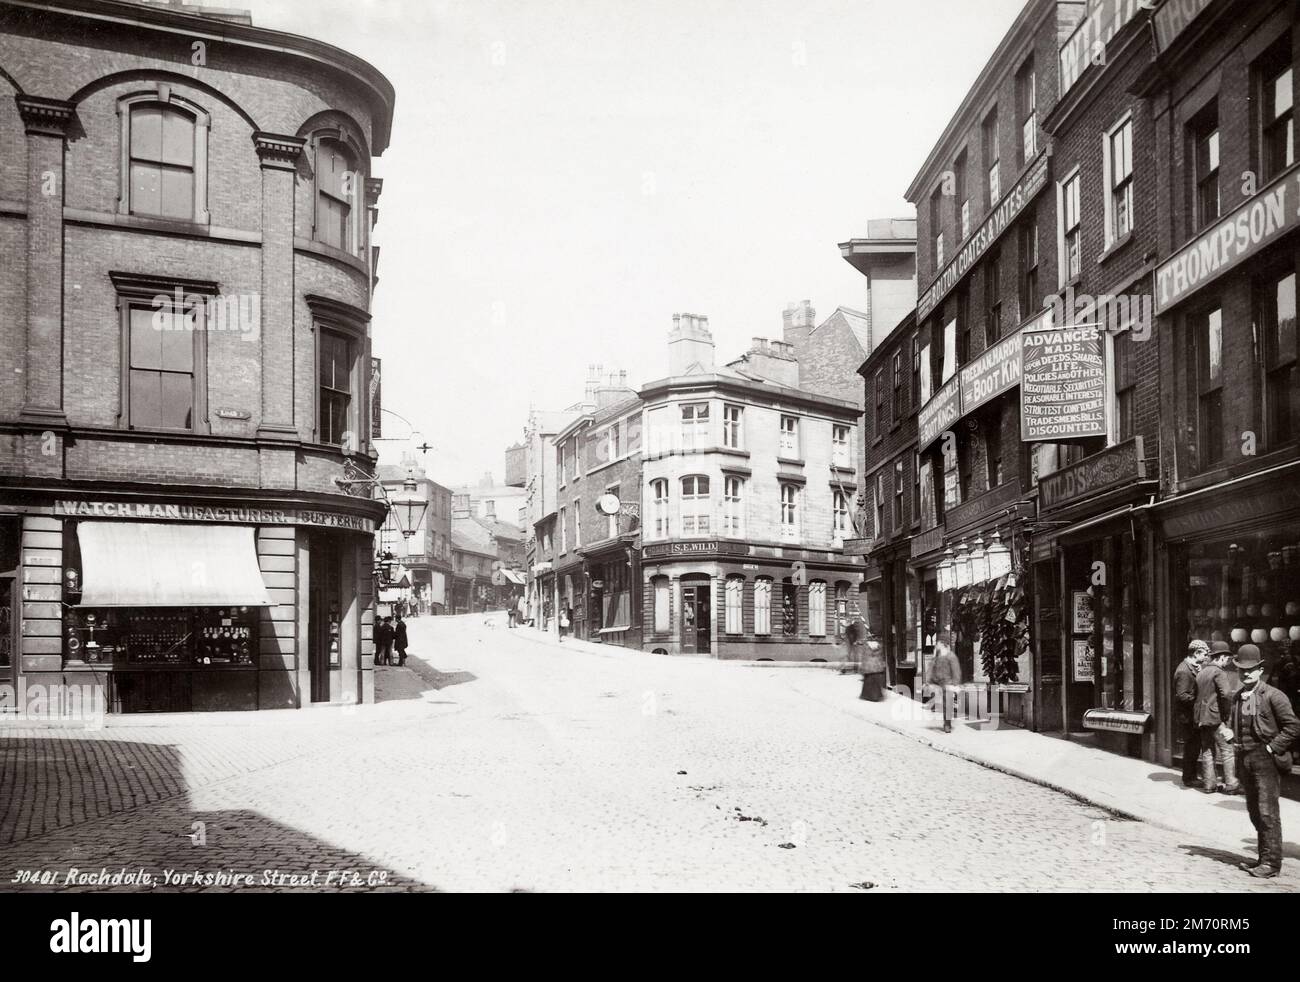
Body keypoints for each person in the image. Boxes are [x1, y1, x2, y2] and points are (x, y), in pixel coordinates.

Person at [1230, 644, 1300, 878]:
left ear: (1260, 670)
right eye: (1241, 670)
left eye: (1251, 669)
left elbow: (1293, 726)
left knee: (1267, 811)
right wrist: (1231, 736)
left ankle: (1271, 864)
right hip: (1245, 759)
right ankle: (1263, 858)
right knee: (1254, 811)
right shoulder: (1238, 697)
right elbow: (1241, 724)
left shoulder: (1273, 695)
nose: (1246, 673)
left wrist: (1271, 748)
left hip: (1266, 759)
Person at [1195, 641, 1240, 794]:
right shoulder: (1219, 672)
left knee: (1207, 751)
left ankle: (1209, 784)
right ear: (1221, 657)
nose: (1228, 662)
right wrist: (1226, 715)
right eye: (1227, 659)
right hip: (1216, 718)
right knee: (1227, 750)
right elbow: (1226, 694)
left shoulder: (1201, 672)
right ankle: (1231, 784)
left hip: (1202, 718)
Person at [1176, 640, 1210, 787]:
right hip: (1188, 717)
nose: (1206, 657)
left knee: (1193, 747)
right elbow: (1182, 695)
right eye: (1204, 654)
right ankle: (1189, 778)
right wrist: (1199, 702)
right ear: (1196, 653)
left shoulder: (1192, 667)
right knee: (1192, 747)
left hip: (1191, 715)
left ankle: (1190, 776)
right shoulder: (1184, 670)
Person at [929, 633, 963, 733]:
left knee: (947, 705)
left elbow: (956, 671)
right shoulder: (938, 656)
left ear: (943, 643)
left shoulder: (951, 656)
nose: (936, 644)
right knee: (941, 704)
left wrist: (955, 683)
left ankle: (947, 724)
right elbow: (932, 668)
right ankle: (946, 721)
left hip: (948, 683)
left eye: (938, 643)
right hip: (938, 683)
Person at [847, 619, 886, 702]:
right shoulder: (879, 646)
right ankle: (876, 696)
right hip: (876, 668)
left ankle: (868, 696)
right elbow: (880, 656)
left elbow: (865, 657)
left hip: (869, 668)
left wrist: (863, 669)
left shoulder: (867, 646)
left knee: (868, 683)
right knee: (876, 684)